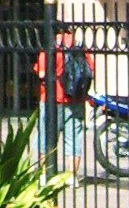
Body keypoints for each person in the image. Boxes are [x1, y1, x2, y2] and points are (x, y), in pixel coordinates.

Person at [35, 21, 95, 173]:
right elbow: (90, 70)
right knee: (74, 138)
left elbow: (42, 73)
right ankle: (72, 177)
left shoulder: (51, 48)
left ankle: (45, 175)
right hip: (76, 99)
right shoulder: (80, 48)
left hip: (52, 99)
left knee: (47, 138)